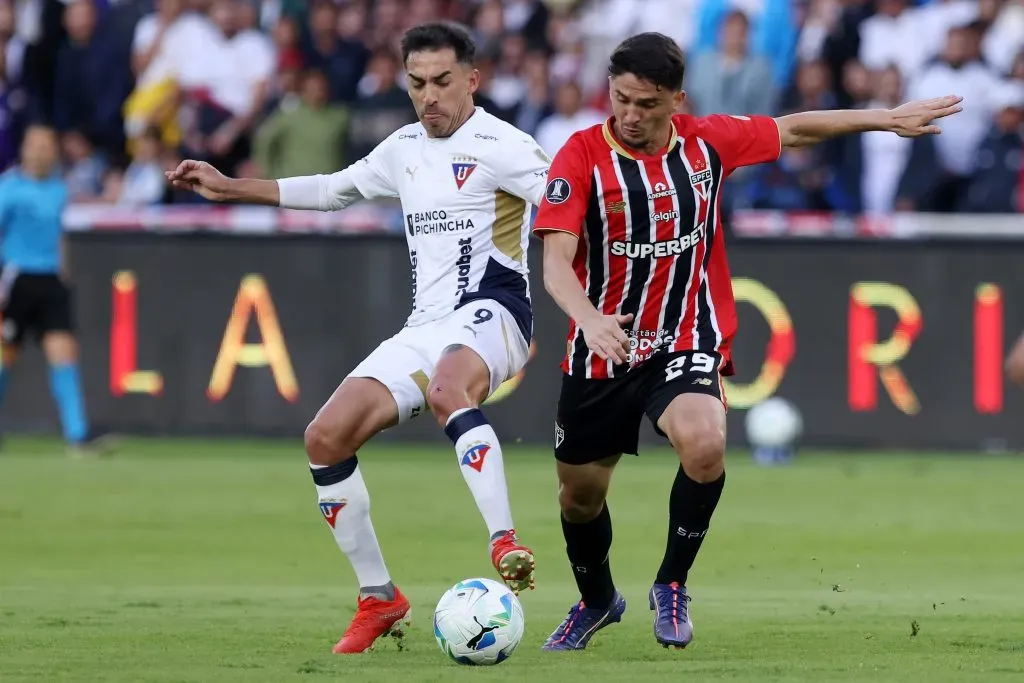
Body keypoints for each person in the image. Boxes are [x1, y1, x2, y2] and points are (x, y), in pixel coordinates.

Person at [532, 32, 962, 652]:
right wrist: (589, 315)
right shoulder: (579, 157)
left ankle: (672, 584)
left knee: (705, 446)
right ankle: (597, 600)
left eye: (646, 104)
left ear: (676, 100)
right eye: (620, 99)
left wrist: (884, 120)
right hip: (602, 348)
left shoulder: (707, 143)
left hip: (684, 338)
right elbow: (555, 263)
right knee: (579, 496)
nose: (629, 114)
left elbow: (794, 130)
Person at [165, 22, 550, 655]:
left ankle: (504, 540)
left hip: (496, 313)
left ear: (473, 80)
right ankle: (379, 597)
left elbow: (567, 202)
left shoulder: (505, 145)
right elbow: (333, 189)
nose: (430, 96)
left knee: (454, 391)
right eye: (417, 83)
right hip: (425, 326)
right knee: (323, 437)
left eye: (443, 82)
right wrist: (234, 185)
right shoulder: (401, 148)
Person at [0, 125, 114, 456]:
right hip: (15, 279)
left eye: (46, 146)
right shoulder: (8, 189)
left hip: (50, 281)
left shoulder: (57, 190)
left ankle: (78, 435)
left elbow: (58, 232)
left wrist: (64, 268)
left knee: (64, 354)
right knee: (6, 357)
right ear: (23, 150)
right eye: (34, 145)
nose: (40, 152)